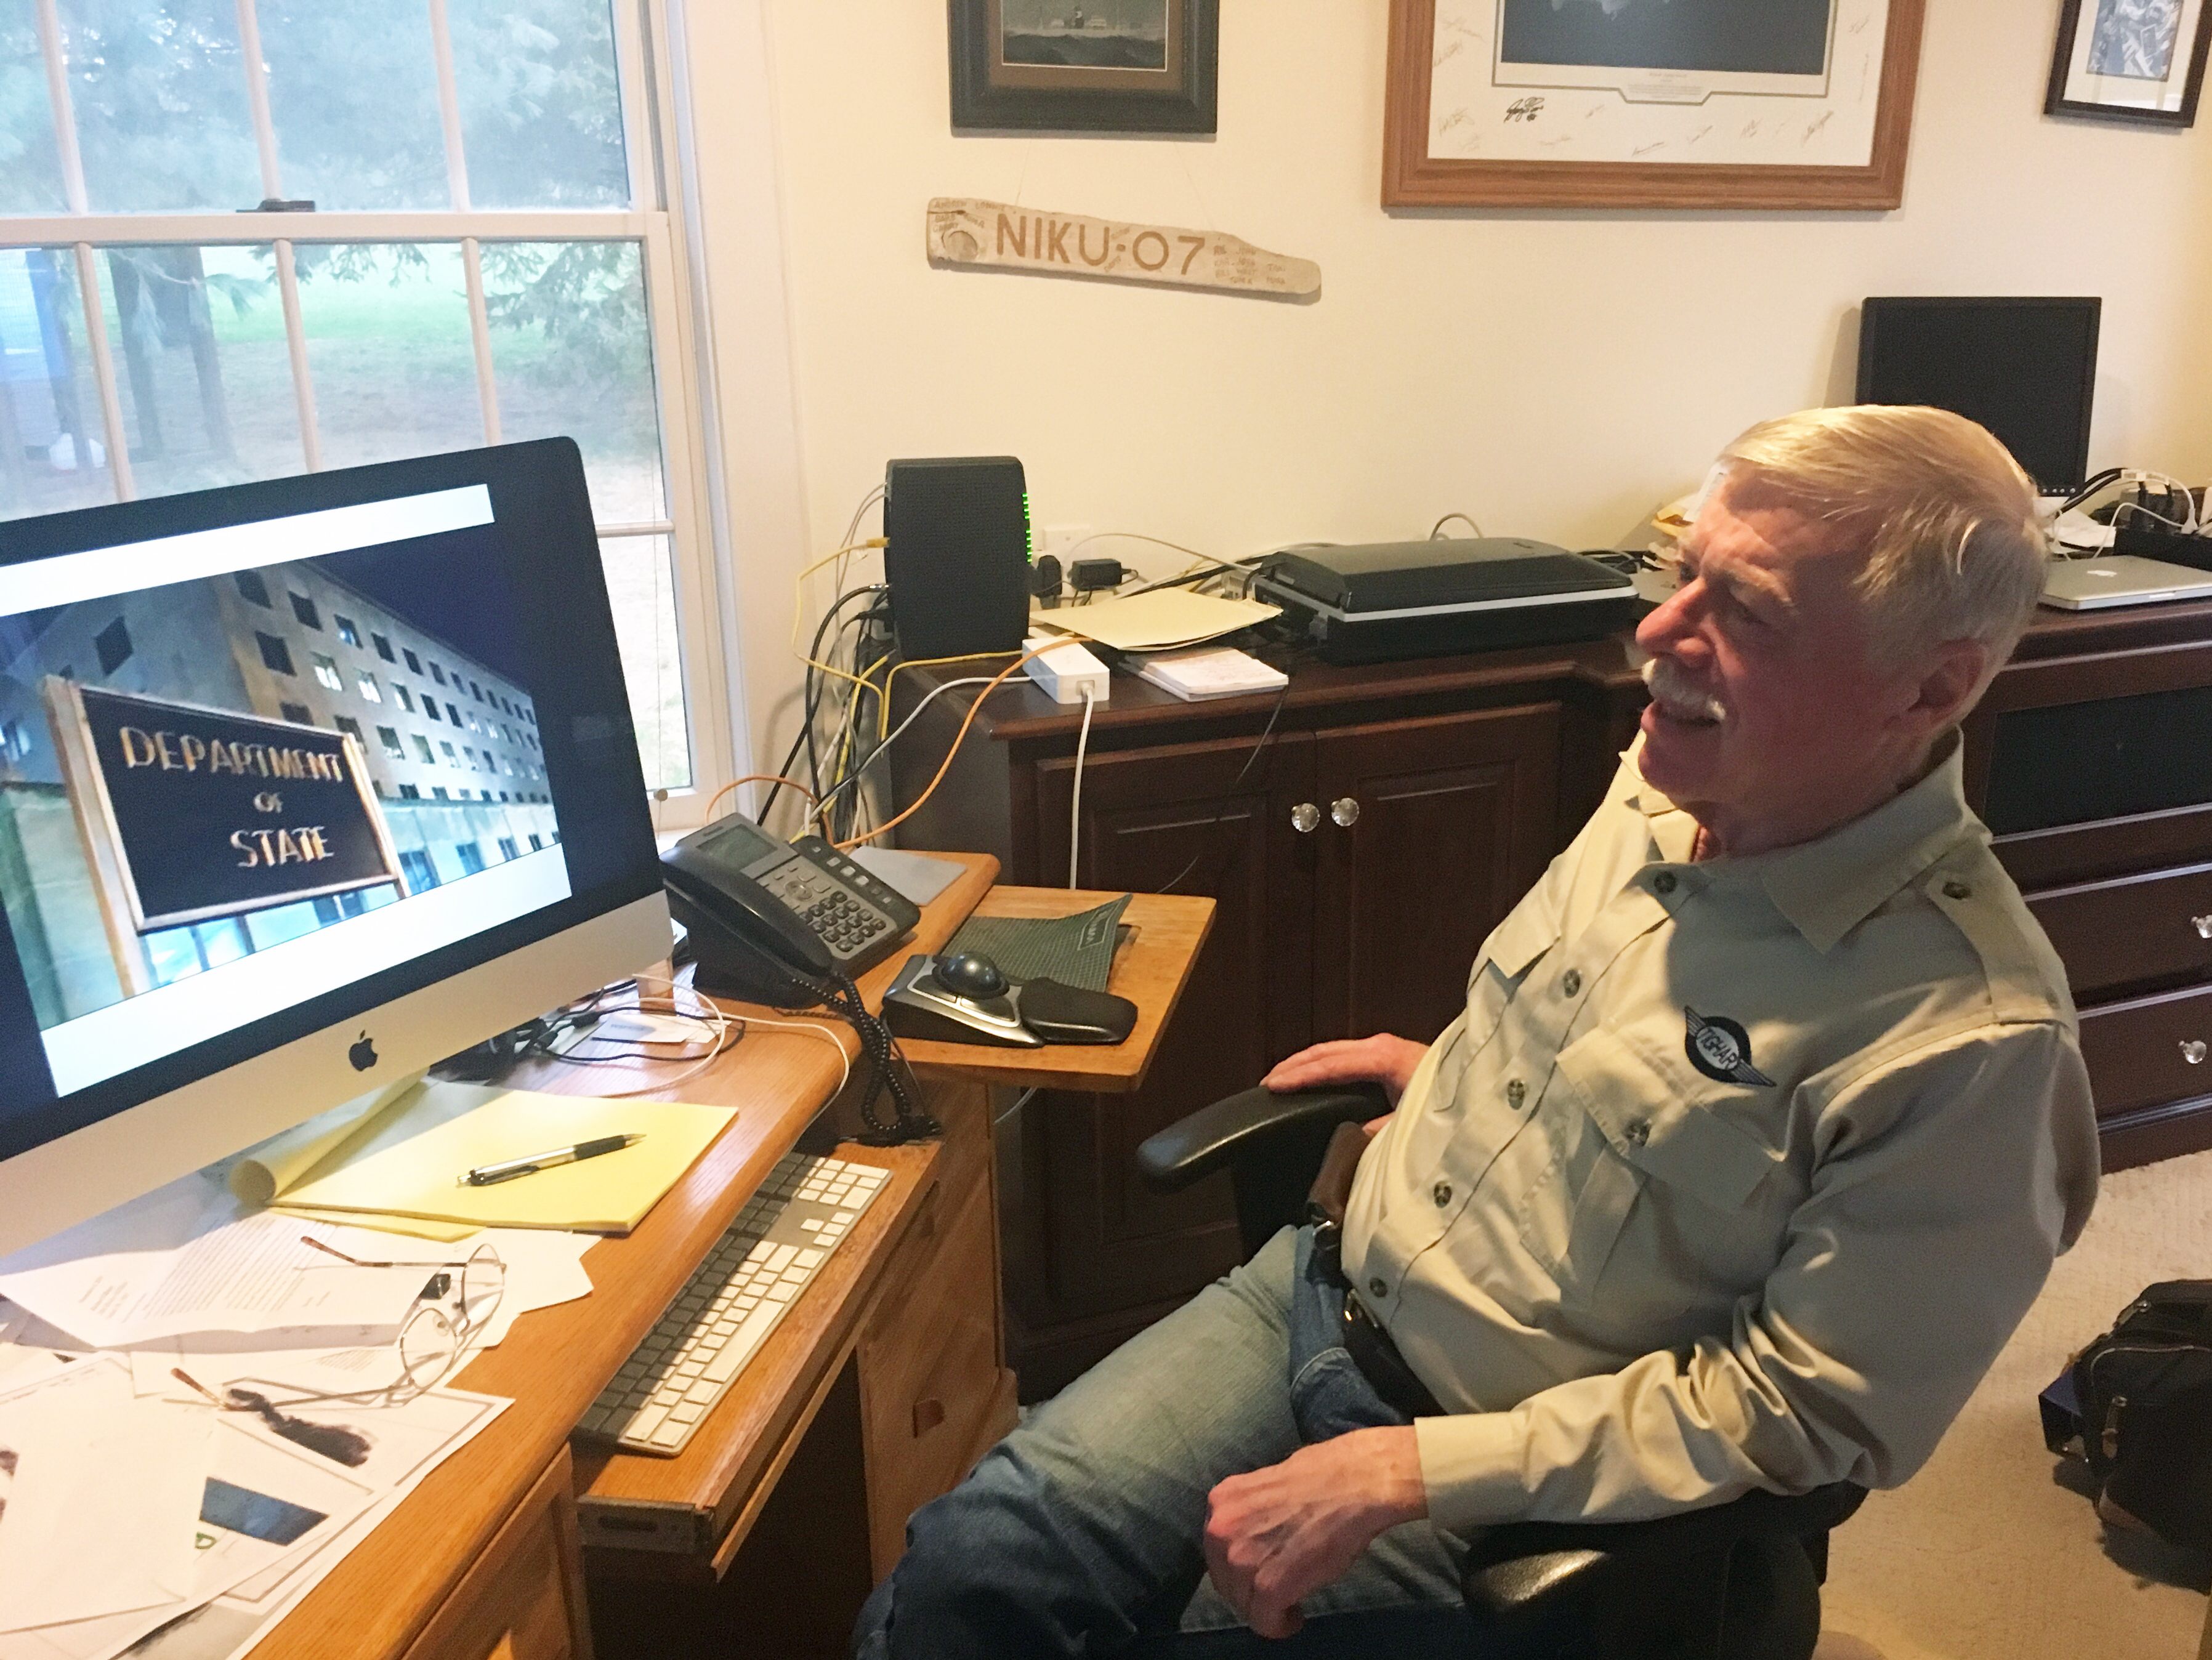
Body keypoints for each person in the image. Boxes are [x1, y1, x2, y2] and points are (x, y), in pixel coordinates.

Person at [852, 405, 2101, 1658]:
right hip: (1326, 1286)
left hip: (1519, 1468)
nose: (1658, 633)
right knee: (973, 1563)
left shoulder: (1971, 1039)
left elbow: (1807, 1415)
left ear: (1928, 684)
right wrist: (1452, 1068)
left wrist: (1414, 1471)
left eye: (1748, 612)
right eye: (1681, 575)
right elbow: (1620, 1043)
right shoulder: (1674, 781)